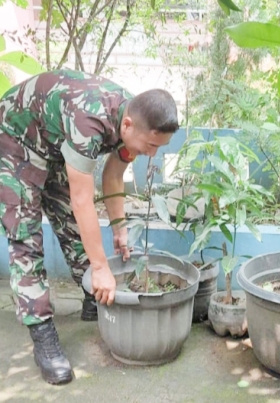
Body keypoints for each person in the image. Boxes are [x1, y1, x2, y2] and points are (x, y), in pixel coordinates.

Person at [0, 70, 179, 385]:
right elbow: (83, 199)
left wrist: (119, 227)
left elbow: (113, 175)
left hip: (53, 145)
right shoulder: (89, 122)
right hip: (14, 141)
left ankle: (90, 295)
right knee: (25, 238)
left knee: (72, 226)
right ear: (127, 125)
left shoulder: (133, 116)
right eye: (151, 145)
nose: (153, 154)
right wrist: (100, 267)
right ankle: (42, 333)